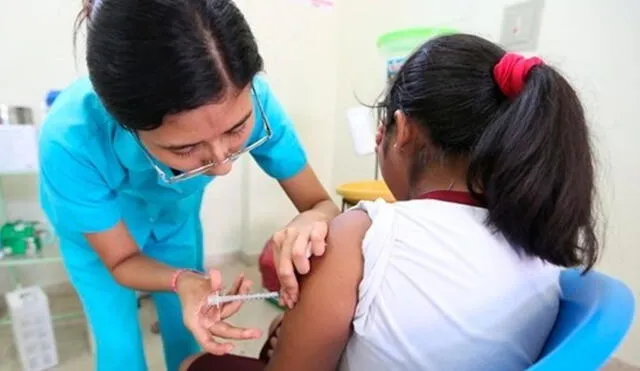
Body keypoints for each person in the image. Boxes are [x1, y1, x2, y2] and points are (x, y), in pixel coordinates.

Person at [181, 33, 600, 371]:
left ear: (401, 130)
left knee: (196, 363)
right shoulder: (545, 249)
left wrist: (292, 334)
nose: (219, 161)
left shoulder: (362, 237)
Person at [38, 0, 339, 370]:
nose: (223, 165)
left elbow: (321, 205)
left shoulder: (254, 104)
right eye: (184, 148)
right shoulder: (70, 141)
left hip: (174, 222)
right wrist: (179, 279)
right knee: (118, 342)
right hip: (99, 246)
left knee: (192, 332)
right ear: (125, 123)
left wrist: (312, 218)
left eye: (235, 131)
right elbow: (120, 260)